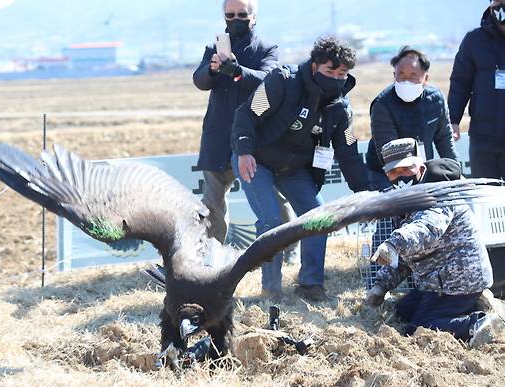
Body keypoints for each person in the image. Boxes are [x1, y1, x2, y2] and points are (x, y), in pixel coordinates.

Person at [231, 36, 370, 301]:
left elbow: (349, 152)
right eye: (331, 71)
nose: (337, 78)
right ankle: (271, 290)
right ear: (316, 67)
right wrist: (244, 151)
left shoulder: (341, 108)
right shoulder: (281, 81)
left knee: (320, 217)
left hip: (293, 169)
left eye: (342, 73)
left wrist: (365, 194)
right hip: (255, 160)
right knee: (272, 221)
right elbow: (245, 114)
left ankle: (310, 285)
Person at [365, 140, 503, 347]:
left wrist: (394, 243)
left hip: (459, 280)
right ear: (387, 176)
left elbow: (425, 229)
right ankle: (472, 307)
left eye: (406, 169)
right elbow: (404, 257)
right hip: (437, 280)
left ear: (420, 168)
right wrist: (381, 285)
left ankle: (479, 324)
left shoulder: (439, 195)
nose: (401, 176)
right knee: (403, 311)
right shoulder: (405, 201)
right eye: (394, 172)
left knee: (418, 328)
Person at [193, 0, 281, 244]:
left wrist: (237, 70)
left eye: (242, 14)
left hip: (256, 137)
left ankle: (285, 250)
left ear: (253, 17)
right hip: (218, 135)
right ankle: (212, 255)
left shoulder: (266, 48)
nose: (235, 20)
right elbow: (199, 81)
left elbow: (269, 81)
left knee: (271, 196)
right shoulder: (214, 47)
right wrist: (211, 70)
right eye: (229, 15)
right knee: (211, 203)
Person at [366, 46, 459, 192]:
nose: (406, 81)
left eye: (413, 75)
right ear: (394, 75)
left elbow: (445, 139)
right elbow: (389, 152)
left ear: (425, 78)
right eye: (401, 75)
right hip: (386, 173)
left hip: (421, 170)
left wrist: (455, 172)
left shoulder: (436, 99)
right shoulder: (382, 104)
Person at [448, 0, 505, 179]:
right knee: (487, 197)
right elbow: (460, 83)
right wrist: (453, 120)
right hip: (484, 140)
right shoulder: (474, 41)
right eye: (499, 2)